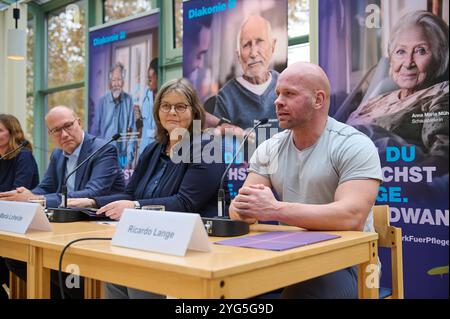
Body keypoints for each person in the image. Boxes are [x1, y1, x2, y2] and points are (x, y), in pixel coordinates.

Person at [230, 62, 383, 299]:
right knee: (226, 288)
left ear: (318, 100)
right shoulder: (269, 148)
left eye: (289, 94)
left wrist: (274, 209)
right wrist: (243, 209)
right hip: (287, 256)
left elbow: (351, 217)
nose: (277, 101)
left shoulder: (354, 144)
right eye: (278, 93)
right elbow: (241, 210)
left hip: (351, 264)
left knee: (302, 293)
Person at [69, 79, 226, 298]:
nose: (172, 112)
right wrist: (93, 202)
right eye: (165, 105)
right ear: (157, 111)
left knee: (137, 279)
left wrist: (134, 206)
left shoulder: (208, 147)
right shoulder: (153, 150)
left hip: (192, 244)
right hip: (151, 238)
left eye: (180, 106)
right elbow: (130, 194)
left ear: (194, 112)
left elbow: (185, 203)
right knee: (114, 277)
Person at [0, 106, 125, 299]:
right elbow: (46, 187)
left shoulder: (102, 149)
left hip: (98, 228)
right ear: (50, 134)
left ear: (79, 122)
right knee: (15, 259)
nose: (64, 134)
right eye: (56, 130)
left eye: (68, 126)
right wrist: (26, 194)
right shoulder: (58, 154)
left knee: (65, 270)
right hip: (67, 226)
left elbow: (93, 192)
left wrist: (37, 199)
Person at [347, 11, 448, 169]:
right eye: (401, 52)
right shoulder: (376, 100)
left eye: (421, 51)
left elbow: (442, 159)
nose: (408, 63)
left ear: (440, 56)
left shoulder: (441, 95)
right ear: (391, 58)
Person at [212, 15, 279, 132]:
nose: (253, 53)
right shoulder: (226, 96)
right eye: (246, 45)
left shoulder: (285, 86)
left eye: (260, 42)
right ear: (238, 55)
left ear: (273, 46)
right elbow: (218, 141)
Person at [0, 114, 39, 300]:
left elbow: (16, 194)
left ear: (13, 133)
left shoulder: (24, 156)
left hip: (22, 224)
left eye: (0, 130)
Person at [90, 62, 137, 168]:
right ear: (110, 82)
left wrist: (129, 159)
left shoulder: (128, 100)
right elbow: (95, 131)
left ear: (123, 81)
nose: (116, 83)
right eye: (114, 80)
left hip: (123, 158)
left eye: (119, 79)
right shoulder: (102, 101)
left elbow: (132, 131)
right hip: (104, 156)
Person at [137, 57, 159, 156]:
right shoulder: (146, 94)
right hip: (144, 151)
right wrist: (138, 118)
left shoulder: (167, 98)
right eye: (147, 79)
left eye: (150, 79)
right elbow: (141, 126)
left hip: (158, 152)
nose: (147, 83)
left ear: (159, 77)